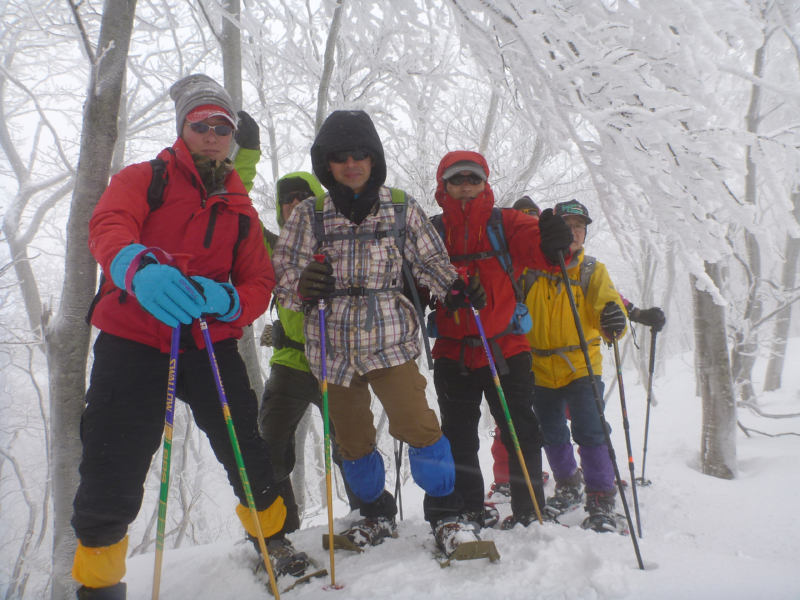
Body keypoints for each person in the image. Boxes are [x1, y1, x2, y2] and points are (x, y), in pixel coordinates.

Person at [71, 74, 306, 600]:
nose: (212, 133)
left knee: (247, 449)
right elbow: (109, 224)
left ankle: (274, 542)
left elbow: (259, 284)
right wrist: (137, 267)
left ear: (232, 137)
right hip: (131, 342)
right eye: (201, 123)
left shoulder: (241, 209)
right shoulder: (144, 178)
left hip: (208, 345)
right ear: (184, 127)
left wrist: (227, 301)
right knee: (112, 466)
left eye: (222, 125)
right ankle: (99, 586)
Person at [272, 110, 488, 557]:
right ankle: (375, 514)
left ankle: (446, 515)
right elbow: (283, 277)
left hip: (389, 336)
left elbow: (432, 262)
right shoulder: (308, 216)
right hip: (330, 346)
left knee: (419, 426)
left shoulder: (401, 207)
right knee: (352, 439)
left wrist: (455, 289)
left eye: (360, 155)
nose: (351, 164)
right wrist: (301, 285)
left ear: (374, 160)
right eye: (340, 157)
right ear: (326, 164)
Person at [429, 152, 574, 531]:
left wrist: (555, 245)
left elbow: (539, 252)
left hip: (506, 348)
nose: (465, 186)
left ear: (484, 183)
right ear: (443, 186)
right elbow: (416, 276)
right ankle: (470, 509)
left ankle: (530, 511)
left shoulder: (506, 222)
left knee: (521, 431)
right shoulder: (430, 230)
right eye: (457, 179)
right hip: (452, 352)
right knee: (459, 435)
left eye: (473, 179)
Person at [258, 171, 363, 535]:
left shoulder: (340, 241)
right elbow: (235, 209)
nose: (295, 203)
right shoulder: (271, 247)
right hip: (290, 365)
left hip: (335, 360)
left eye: (304, 196)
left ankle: (367, 516)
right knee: (268, 447)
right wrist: (245, 156)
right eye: (287, 198)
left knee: (351, 444)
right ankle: (278, 531)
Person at [523, 199, 630, 532]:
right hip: (538, 368)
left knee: (590, 430)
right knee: (551, 431)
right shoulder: (529, 271)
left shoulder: (591, 270)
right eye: (567, 225)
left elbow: (607, 305)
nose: (574, 232)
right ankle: (568, 483)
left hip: (582, 365)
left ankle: (600, 497)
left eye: (580, 227)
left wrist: (615, 319)